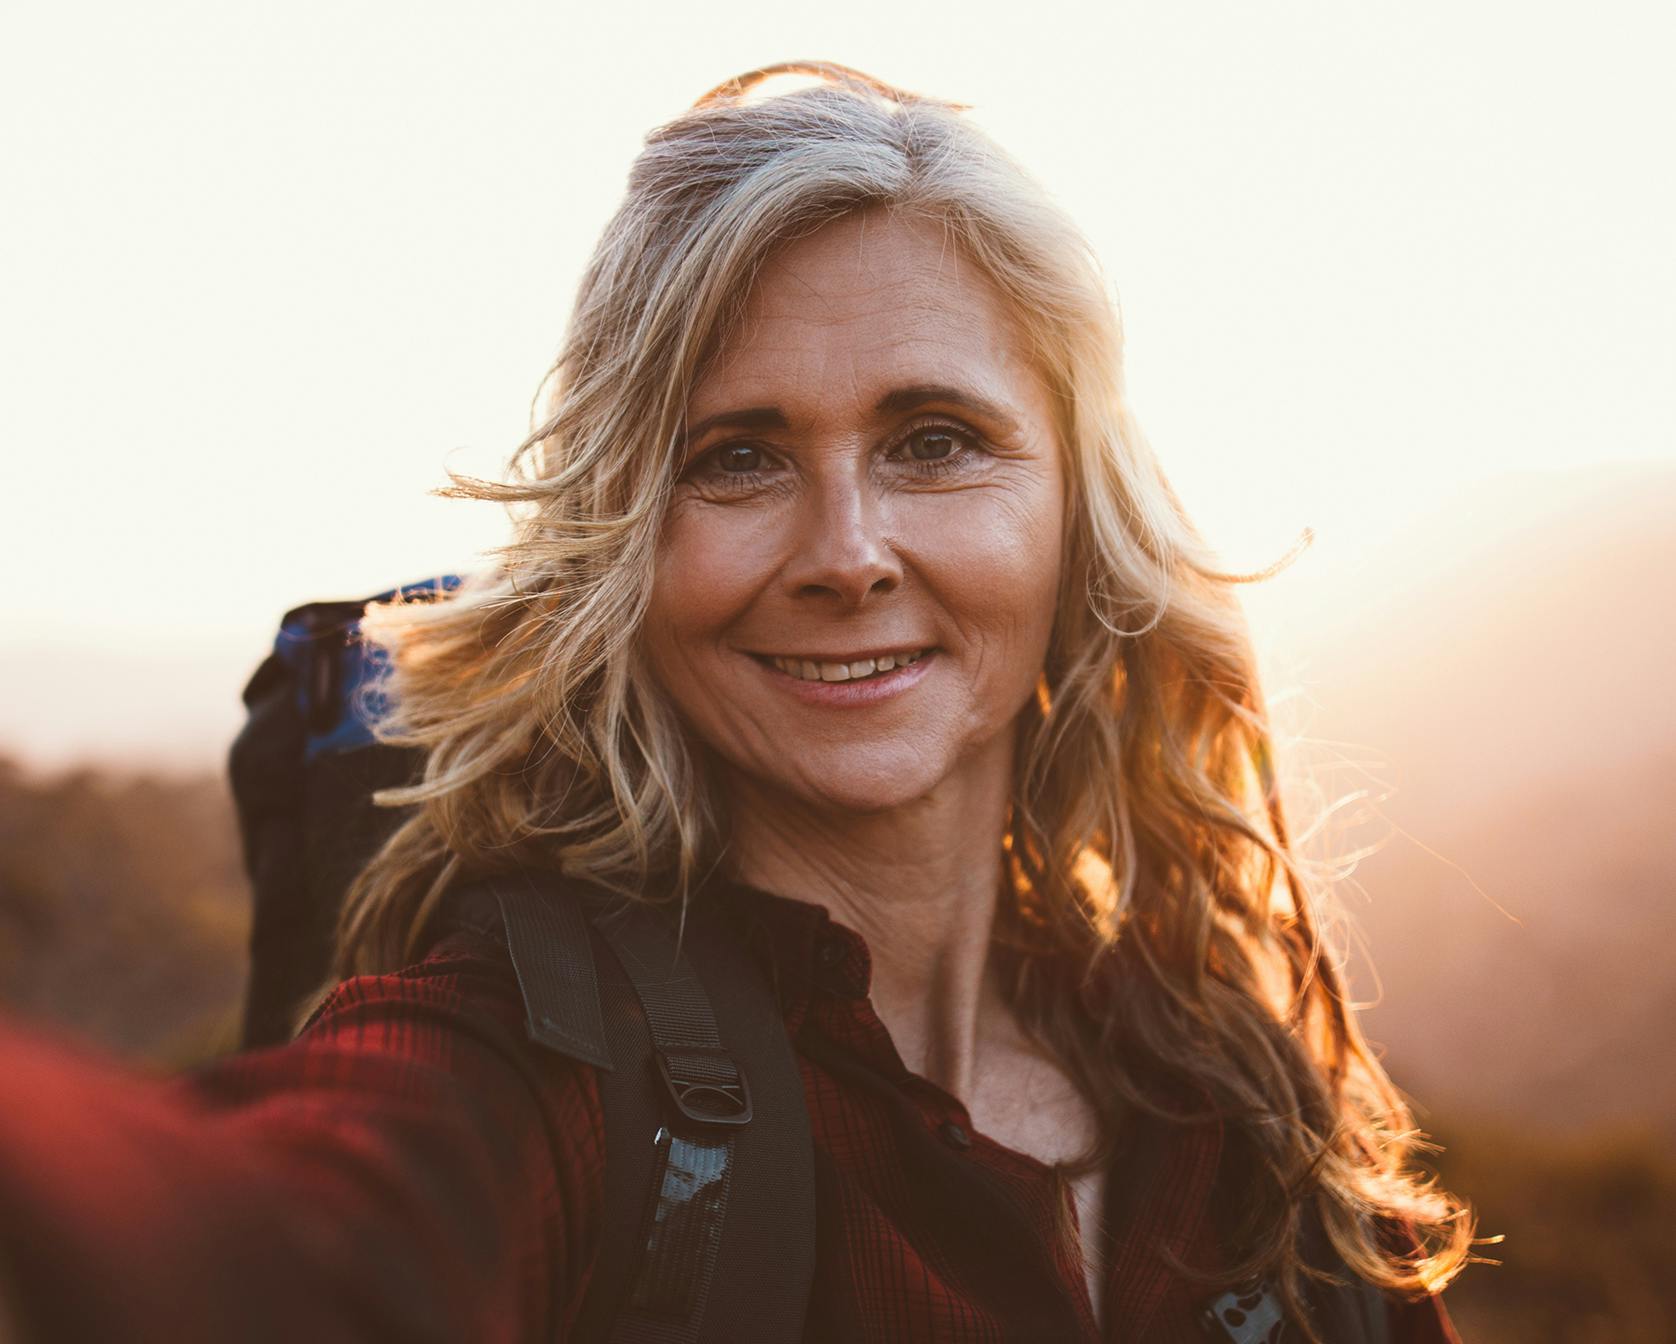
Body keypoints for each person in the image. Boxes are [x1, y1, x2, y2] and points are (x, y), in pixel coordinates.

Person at [0, 62, 1471, 1342]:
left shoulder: (1227, 1093)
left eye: (937, 441)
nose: (845, 555)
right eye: (737, 461)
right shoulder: (546, 1073)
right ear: (627, 542)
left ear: (1078, 510)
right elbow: (276, 1242)